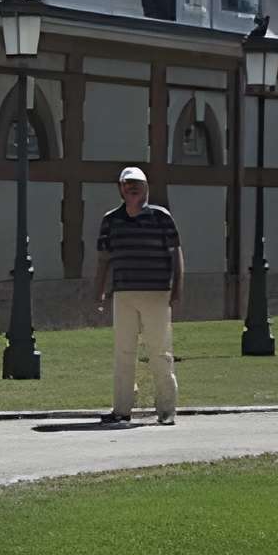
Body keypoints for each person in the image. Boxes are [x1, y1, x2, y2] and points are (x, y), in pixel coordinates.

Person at [91, 164, 184, 424]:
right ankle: (122, 409)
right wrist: (98, 290)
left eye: (137, 184)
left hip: (156, 292)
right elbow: (103, 259)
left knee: (160, 352)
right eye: (127, 184)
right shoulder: (111, 220)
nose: (132, 188)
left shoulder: (161, 217)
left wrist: (177, 288)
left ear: (146, 188)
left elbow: (176, 254)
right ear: (120, 189)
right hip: (124, 292)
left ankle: (166, 411)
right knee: (123, 352)